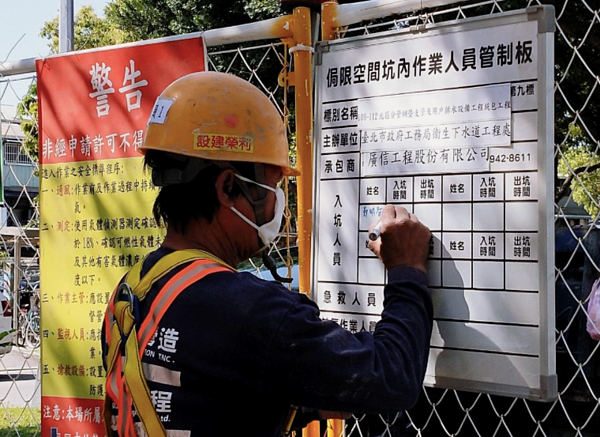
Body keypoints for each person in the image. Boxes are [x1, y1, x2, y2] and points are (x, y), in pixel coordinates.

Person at [102, 71, 433, 437]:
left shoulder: (133, 291)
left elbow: (203, 391)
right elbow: (393, 375)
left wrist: (297, 399)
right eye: (273, 185)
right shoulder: (249, 310)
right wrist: (406, 270)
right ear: (228, 187)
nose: (280, 203)